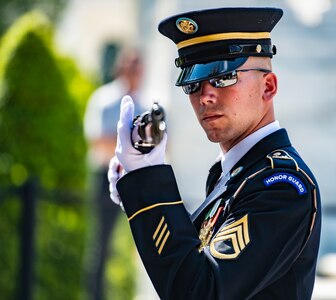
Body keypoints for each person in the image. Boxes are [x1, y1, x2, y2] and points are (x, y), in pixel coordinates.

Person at [108, 7, 321, 299]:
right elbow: (189, 268)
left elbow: (201, 291)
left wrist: (148, 185)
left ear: (268, 87)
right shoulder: (233, 175)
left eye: (223, 78)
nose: (205, 95)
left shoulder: (282, 185)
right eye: (193, 83)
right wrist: (140, 189)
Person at [84, 46, 147, 300]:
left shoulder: (147, 103)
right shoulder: (104, 99)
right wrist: (134, 146)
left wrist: (124, 146)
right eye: (131, 66)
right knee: (101, 247)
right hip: (105, 179)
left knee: (146, 243)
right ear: (120, 68)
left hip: (137, 179)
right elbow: (98, 142)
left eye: (139, 67)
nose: (135, 72)